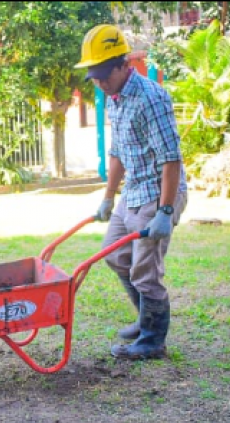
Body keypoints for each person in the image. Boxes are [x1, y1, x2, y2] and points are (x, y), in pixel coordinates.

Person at [74, 24, 188, 360]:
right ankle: (144, 318)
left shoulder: (151, 98)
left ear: (124, 65)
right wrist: (108, 197)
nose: (99, 83)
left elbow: (170, 158)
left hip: (157, 193)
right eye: (94, 77)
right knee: (114, 254)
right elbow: (117, 152)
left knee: (145, 272)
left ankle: (152, 341)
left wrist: (165, 211)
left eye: (103, 75)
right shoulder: (114, 98)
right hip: (133, 192)